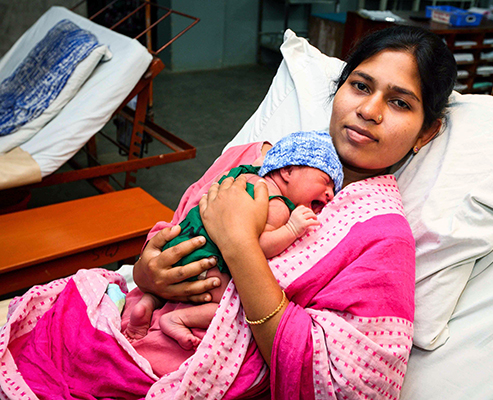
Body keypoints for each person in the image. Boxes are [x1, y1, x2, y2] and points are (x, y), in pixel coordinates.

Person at [4, 24, 456, 398]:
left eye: (400, 102)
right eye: (360, 86)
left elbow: (354, 384)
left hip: (187, 366)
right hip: (133, 317)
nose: (369, 110)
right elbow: (172, 235)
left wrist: (241, 245)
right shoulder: (250, 159)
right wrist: (147, 272)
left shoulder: (381, 235)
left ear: (425, 131)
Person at [123, 130, 343, 350]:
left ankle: (149, 302)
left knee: (168, 284)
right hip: (207, 261)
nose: (330, 194)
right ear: (287, 171)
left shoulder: (242, 174)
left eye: (334, 190)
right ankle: (178, 319)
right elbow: (256, 247)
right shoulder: (277, 205)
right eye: (326, 182)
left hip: (179, 245)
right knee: (234, 306)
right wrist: (292, 229)